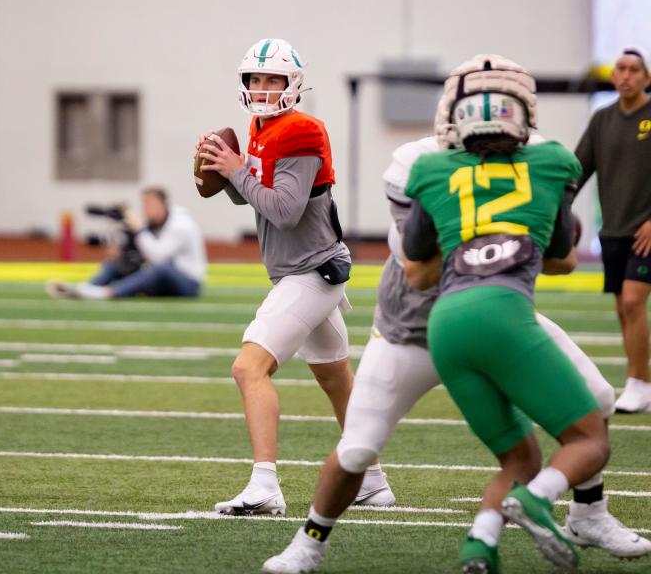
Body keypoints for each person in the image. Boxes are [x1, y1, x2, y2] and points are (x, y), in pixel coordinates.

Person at [262, 59, 648, 574]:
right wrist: (500, 230)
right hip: (412, 329)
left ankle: (589, 512)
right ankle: (308, 542)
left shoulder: (532, 158)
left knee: (598, 398)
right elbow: (419, 267)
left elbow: (559, 255)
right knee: (357, 449)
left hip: (499, 317)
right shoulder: (419, 164)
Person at [196, 38, 393, 516]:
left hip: (310, 273)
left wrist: (237, 169)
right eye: (256, 79)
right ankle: (371, 480)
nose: (263, 88)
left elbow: (284, 211)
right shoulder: (262, 127)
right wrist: (226, 173)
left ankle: (265, 484)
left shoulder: (302, 131)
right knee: (336, 380)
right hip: (305, 269)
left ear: (292, 84)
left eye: (272, 80)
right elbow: (254, 196)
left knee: (248, 368)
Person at [576, 47, 651, 413]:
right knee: (624, 307)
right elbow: (578, 169)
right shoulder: (602, 120)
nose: (626, 75)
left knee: (635, 301)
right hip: (614, 229)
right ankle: (642, 382)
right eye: (620, 69)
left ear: (646, 79)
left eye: (634, 70)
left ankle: (638, 383)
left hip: (646, 231)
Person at [46, 187, 206, 300]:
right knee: (119, 263)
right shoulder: (155, 222)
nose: (146, 209)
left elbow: (158, 257)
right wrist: (121, 250)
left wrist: (139, 231)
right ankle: (85, 289)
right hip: (164, 280)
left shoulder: (180, 224)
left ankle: (107, 293)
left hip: (188, 284)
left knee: (159, 268)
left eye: (150, 204)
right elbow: (140, 250)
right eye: (144, 204)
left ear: (163, 204)